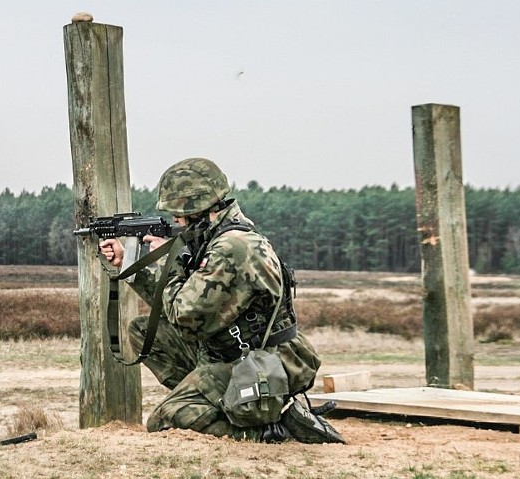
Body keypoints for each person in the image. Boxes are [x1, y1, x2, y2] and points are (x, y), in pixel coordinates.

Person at [99, 157, 344, 443]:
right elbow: (181, 304)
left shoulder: (231, 247)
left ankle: (268, 428)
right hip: (231, 353)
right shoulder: (214, 239)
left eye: (177, 213)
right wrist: (129, 267)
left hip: (268, 361)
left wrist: (172, 260)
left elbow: (184, 315)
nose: (174, 220)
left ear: (195, 208)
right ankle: (234, 405)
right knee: (144, 331)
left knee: (166, 419)